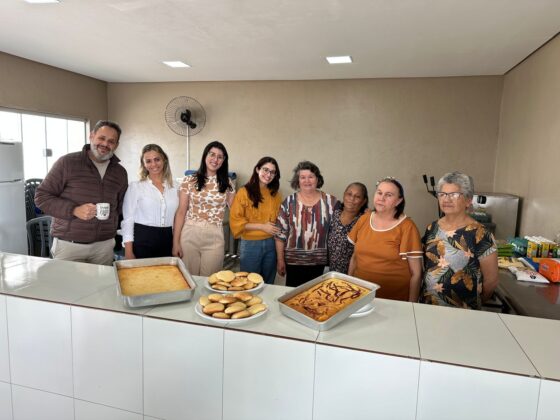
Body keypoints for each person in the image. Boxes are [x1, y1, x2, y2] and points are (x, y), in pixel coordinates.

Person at [34, 120, 128, 265]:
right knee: (66, 281)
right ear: (91, 136)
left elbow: (121, 207)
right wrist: (74, 210)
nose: (105, 144)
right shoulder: (67, 163)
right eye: (101, 138)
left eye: (111, 141)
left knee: (103, 281)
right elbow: (41, 197)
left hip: (104, 247)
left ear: (116, 145)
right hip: (69, 246)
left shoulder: (120, 172)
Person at [420, 171, 498, 309]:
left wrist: (474, 303)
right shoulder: (432, 228)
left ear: (468, 200)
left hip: (463, 311)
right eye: (442, 194)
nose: (446, 199)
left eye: (454, 194)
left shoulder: (481, 234)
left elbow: (491, 281)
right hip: (428, 307)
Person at [348, 177, 423, 301]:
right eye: (379, 193)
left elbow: (416, 274)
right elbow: (355, 258)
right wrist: (349, 286)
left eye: (388, 195)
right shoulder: (364, 219)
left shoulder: (407, 227)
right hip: (360, 295)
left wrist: (412, 305)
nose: (381, 198)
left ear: (398, 201)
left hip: (394, 299)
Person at [172, 141, 235, 276]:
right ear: (205, 156)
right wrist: (175, 242)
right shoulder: (189, 180)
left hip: (215, 235)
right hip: (190, 233)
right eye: (212, 154)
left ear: (223, 161)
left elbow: (236, 211)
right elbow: (181, 212)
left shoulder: (227, 183)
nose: (215, 159)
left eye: (220, 157)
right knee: (189, 279)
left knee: (211, 280)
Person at [275, 161, 337, 287]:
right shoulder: (289, 202)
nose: (307, 181)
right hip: (293, 263)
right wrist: (280, 260)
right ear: (297, 181)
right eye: (302, 177)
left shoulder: (331, 202)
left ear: (317, 179)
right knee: (293, 296)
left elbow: (344, 222)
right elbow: (280, 234)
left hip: (319, 263)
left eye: (311, 177)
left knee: (317, 295)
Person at [230, 157, 282, 284]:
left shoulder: (276, 195)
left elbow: (280, 220)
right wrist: (262, 227)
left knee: (268, 283)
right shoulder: (244, 192)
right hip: (250, 244)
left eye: (272, 172)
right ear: (257, 169)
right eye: (265, 170)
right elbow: (236, 221)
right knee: (249, 283)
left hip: (271, 244)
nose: (268, 175)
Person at [121, 144, 178, 259]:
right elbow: (128, 220)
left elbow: (179, 217)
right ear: (144, 164)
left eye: (157, 159)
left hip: (168, 240)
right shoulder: (136, 187)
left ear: (164, 160)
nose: (154, 164)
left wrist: (177, 243)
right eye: (148, 161)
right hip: (142, 240)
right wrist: (128, 251)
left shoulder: (177, 187)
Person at [327, 182, 369, 274]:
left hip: (354, 274)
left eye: (357, 197)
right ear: (344, 195)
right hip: (332, 272)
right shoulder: (333, 214)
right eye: (349, 194)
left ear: (363, 201)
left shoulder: (364, 221)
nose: (352, 199)